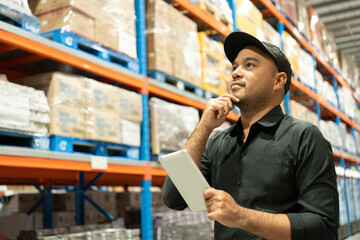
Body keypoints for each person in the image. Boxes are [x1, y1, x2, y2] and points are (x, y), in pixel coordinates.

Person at [162, 31, 339, 240]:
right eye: (234, 66)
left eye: (250, 65)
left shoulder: (304, 137)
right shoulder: (217, 142)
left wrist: (241, 217)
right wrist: (204, 127)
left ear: (278, 81)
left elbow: (323, 227)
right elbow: (174, 198)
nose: (236, 73)